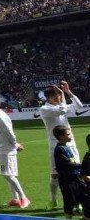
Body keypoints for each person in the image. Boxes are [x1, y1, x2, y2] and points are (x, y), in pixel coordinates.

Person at [40, 81, 84, 209]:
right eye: (57, 94)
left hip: (70, 144)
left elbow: (79, 106)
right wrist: (62, 98)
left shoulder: (61, 104)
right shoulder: (45, 109)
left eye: (59, 95)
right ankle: (53, 200)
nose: (60, 96)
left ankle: (78, 201)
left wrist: (67, 91)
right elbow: (61, 110)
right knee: (55, 174)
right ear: (51, 97)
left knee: (77, 172)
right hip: (56, 147)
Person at [0, 96, 29, 208]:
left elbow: (9, 132)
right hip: (3, 149)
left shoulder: (0, 117)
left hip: (6, 150)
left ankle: (23, 197)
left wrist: (15, 145)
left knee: (7, 175)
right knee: (9, 175)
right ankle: (16, 199)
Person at [53, 125, 83, 219]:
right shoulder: (59, 149)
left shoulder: (66, 147)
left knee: (78, 197)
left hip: (74, 177)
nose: (71, 136)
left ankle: (78, 210)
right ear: (61, 136)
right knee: (69, 201)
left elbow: (72, 162)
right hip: (67, 180)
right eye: (68, 134)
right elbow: (68, 164)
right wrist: (83, 165)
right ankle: (68, 216)